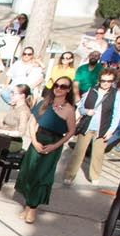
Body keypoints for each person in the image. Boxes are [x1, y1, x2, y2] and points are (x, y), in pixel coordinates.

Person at [15, 77, 78, 224]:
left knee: (42, 176)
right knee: (29, 173)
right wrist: (34, 141)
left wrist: (55, 146)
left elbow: (70, 132)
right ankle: (27, 205)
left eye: (63, 86)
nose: (59, 88)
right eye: (56, 85)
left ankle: (33, 209)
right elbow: (32, 123)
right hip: (37, 140)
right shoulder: (44, 103)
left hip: (53, 144)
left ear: (68, 90)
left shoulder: (69, 109)